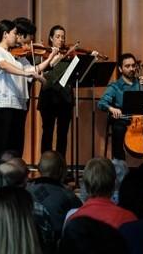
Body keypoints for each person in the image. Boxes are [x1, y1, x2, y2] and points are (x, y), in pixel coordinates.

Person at [0, 19, 49, 166]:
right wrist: (24, 73)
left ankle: (14, 179)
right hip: (2, 104)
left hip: (19, 105)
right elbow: (4, 66)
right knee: (1, 147)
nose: (17, 37)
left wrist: (50, 59)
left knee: (16, 147)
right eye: (14, 33)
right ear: (5, 34)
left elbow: (34, 69)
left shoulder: (18, 57)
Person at [37, 24, 101, 158]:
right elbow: (42, 76)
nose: (61, 40)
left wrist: (91, 58)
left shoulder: (70, 56)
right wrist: (52, 60)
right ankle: (46, 165)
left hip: (65, 99)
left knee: (63, 134)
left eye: (63, 37)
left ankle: (61, 166)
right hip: (48, 98)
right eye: (57, 37)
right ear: (51, 38)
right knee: (47, 132)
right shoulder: (44, 55)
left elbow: (78, 73)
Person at [97, 53, 143, 165]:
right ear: (120, 69)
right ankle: (120, 167)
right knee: (118, 129)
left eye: (133, 65)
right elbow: (102, 103)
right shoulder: (115, 86)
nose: (131, 69)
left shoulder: (142, 83)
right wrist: (112, 109)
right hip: (125, 120)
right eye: (127, 66)